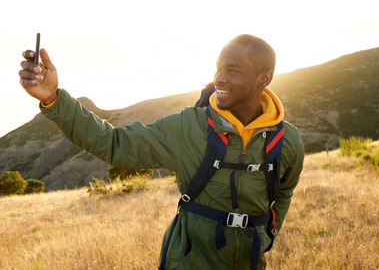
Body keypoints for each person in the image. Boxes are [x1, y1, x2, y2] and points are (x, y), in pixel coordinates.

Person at [19, 34, 304, 269]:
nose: (220, 78)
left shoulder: (287, 141)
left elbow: (283, 192)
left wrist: (268, 235)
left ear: (264, 79)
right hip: (187, 262)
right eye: (218, 68)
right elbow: (115, 143)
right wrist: (54, 99)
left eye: (233, 70)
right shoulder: (187, 127)